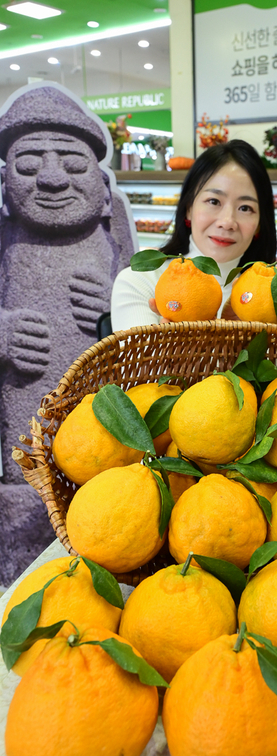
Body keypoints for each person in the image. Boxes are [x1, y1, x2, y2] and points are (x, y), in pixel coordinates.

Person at [0, 82, 135, 586]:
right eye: (30, 164)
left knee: (108, 511)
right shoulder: (5, 233)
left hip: (104, 431)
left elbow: (147, 321)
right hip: (23, 433)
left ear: (101, 189)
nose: (53, 179)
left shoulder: (111, 226)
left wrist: (117, 303)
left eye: (74, 165)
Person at [111, 140, 277, 331]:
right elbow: (139, 361)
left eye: (245, 208)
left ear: (259, 225)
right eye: (214, 201)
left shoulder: (272, 292)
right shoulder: (141, 282)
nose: (227, 222)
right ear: (189, 208)